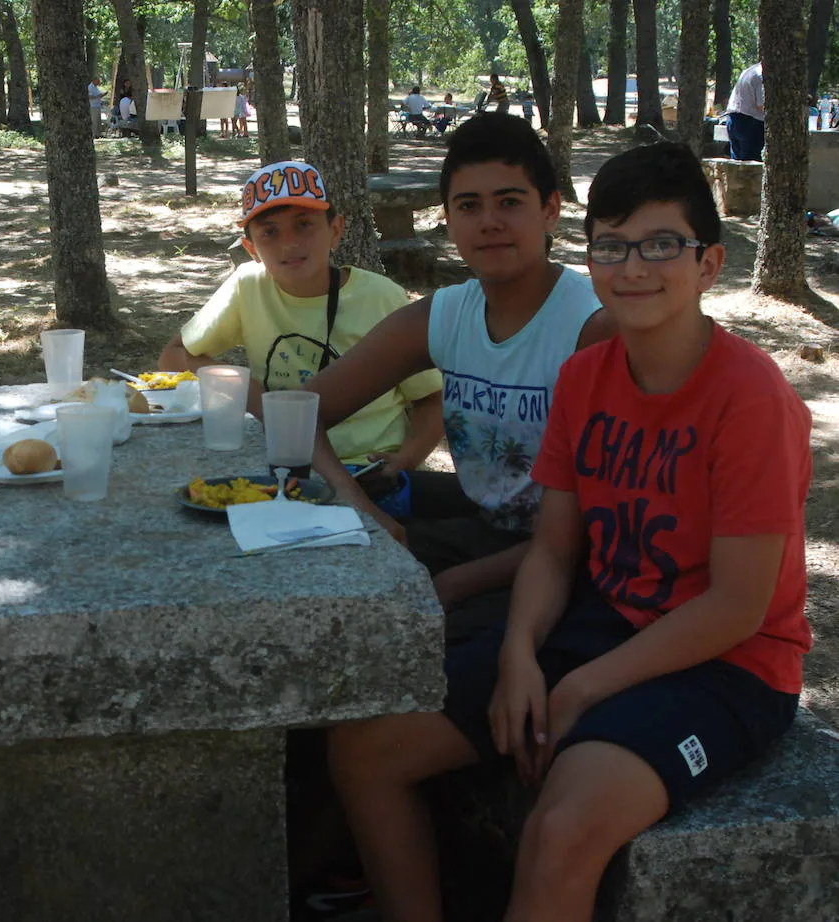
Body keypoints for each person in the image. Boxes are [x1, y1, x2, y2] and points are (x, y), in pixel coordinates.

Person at [329, 140, 811, 922]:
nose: (635, 268)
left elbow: (737, 609)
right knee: (365, 751)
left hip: (727, 669)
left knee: (562, 827)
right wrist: (521, 656)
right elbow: (555, 548)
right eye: (613, 246)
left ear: (709, 265)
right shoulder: (586, 377)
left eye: (663, 245)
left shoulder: (751, 398)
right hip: (601, 621)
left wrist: (579, 686)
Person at [302, 114, 613, 642]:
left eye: (510, 202)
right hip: (482, 529)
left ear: (551, 211)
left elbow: (601, 524)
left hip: (568, 567)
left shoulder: (591, 326)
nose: (489, 221)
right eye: (469, 206)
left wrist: (455, 583)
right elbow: (299, 412)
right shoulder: (445, 316)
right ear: (446, 218)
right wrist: (362, 511)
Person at [159, 160, 446, 488]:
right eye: (269, 232)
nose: (289, 244)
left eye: (304, 225)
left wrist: (407, 459)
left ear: (335, 230)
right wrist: (243, 389)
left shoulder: (381, 297)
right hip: (280, 466)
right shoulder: (247, 287)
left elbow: (432, 398)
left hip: (366, 470)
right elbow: (173, 355)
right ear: (251, 248)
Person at [726, 62, 764, 161]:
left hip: (733, 118)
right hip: (749, 123)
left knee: (736, 166)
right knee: (751, 168)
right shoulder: (762, 75)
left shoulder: (750, 70)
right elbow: (762, 105)